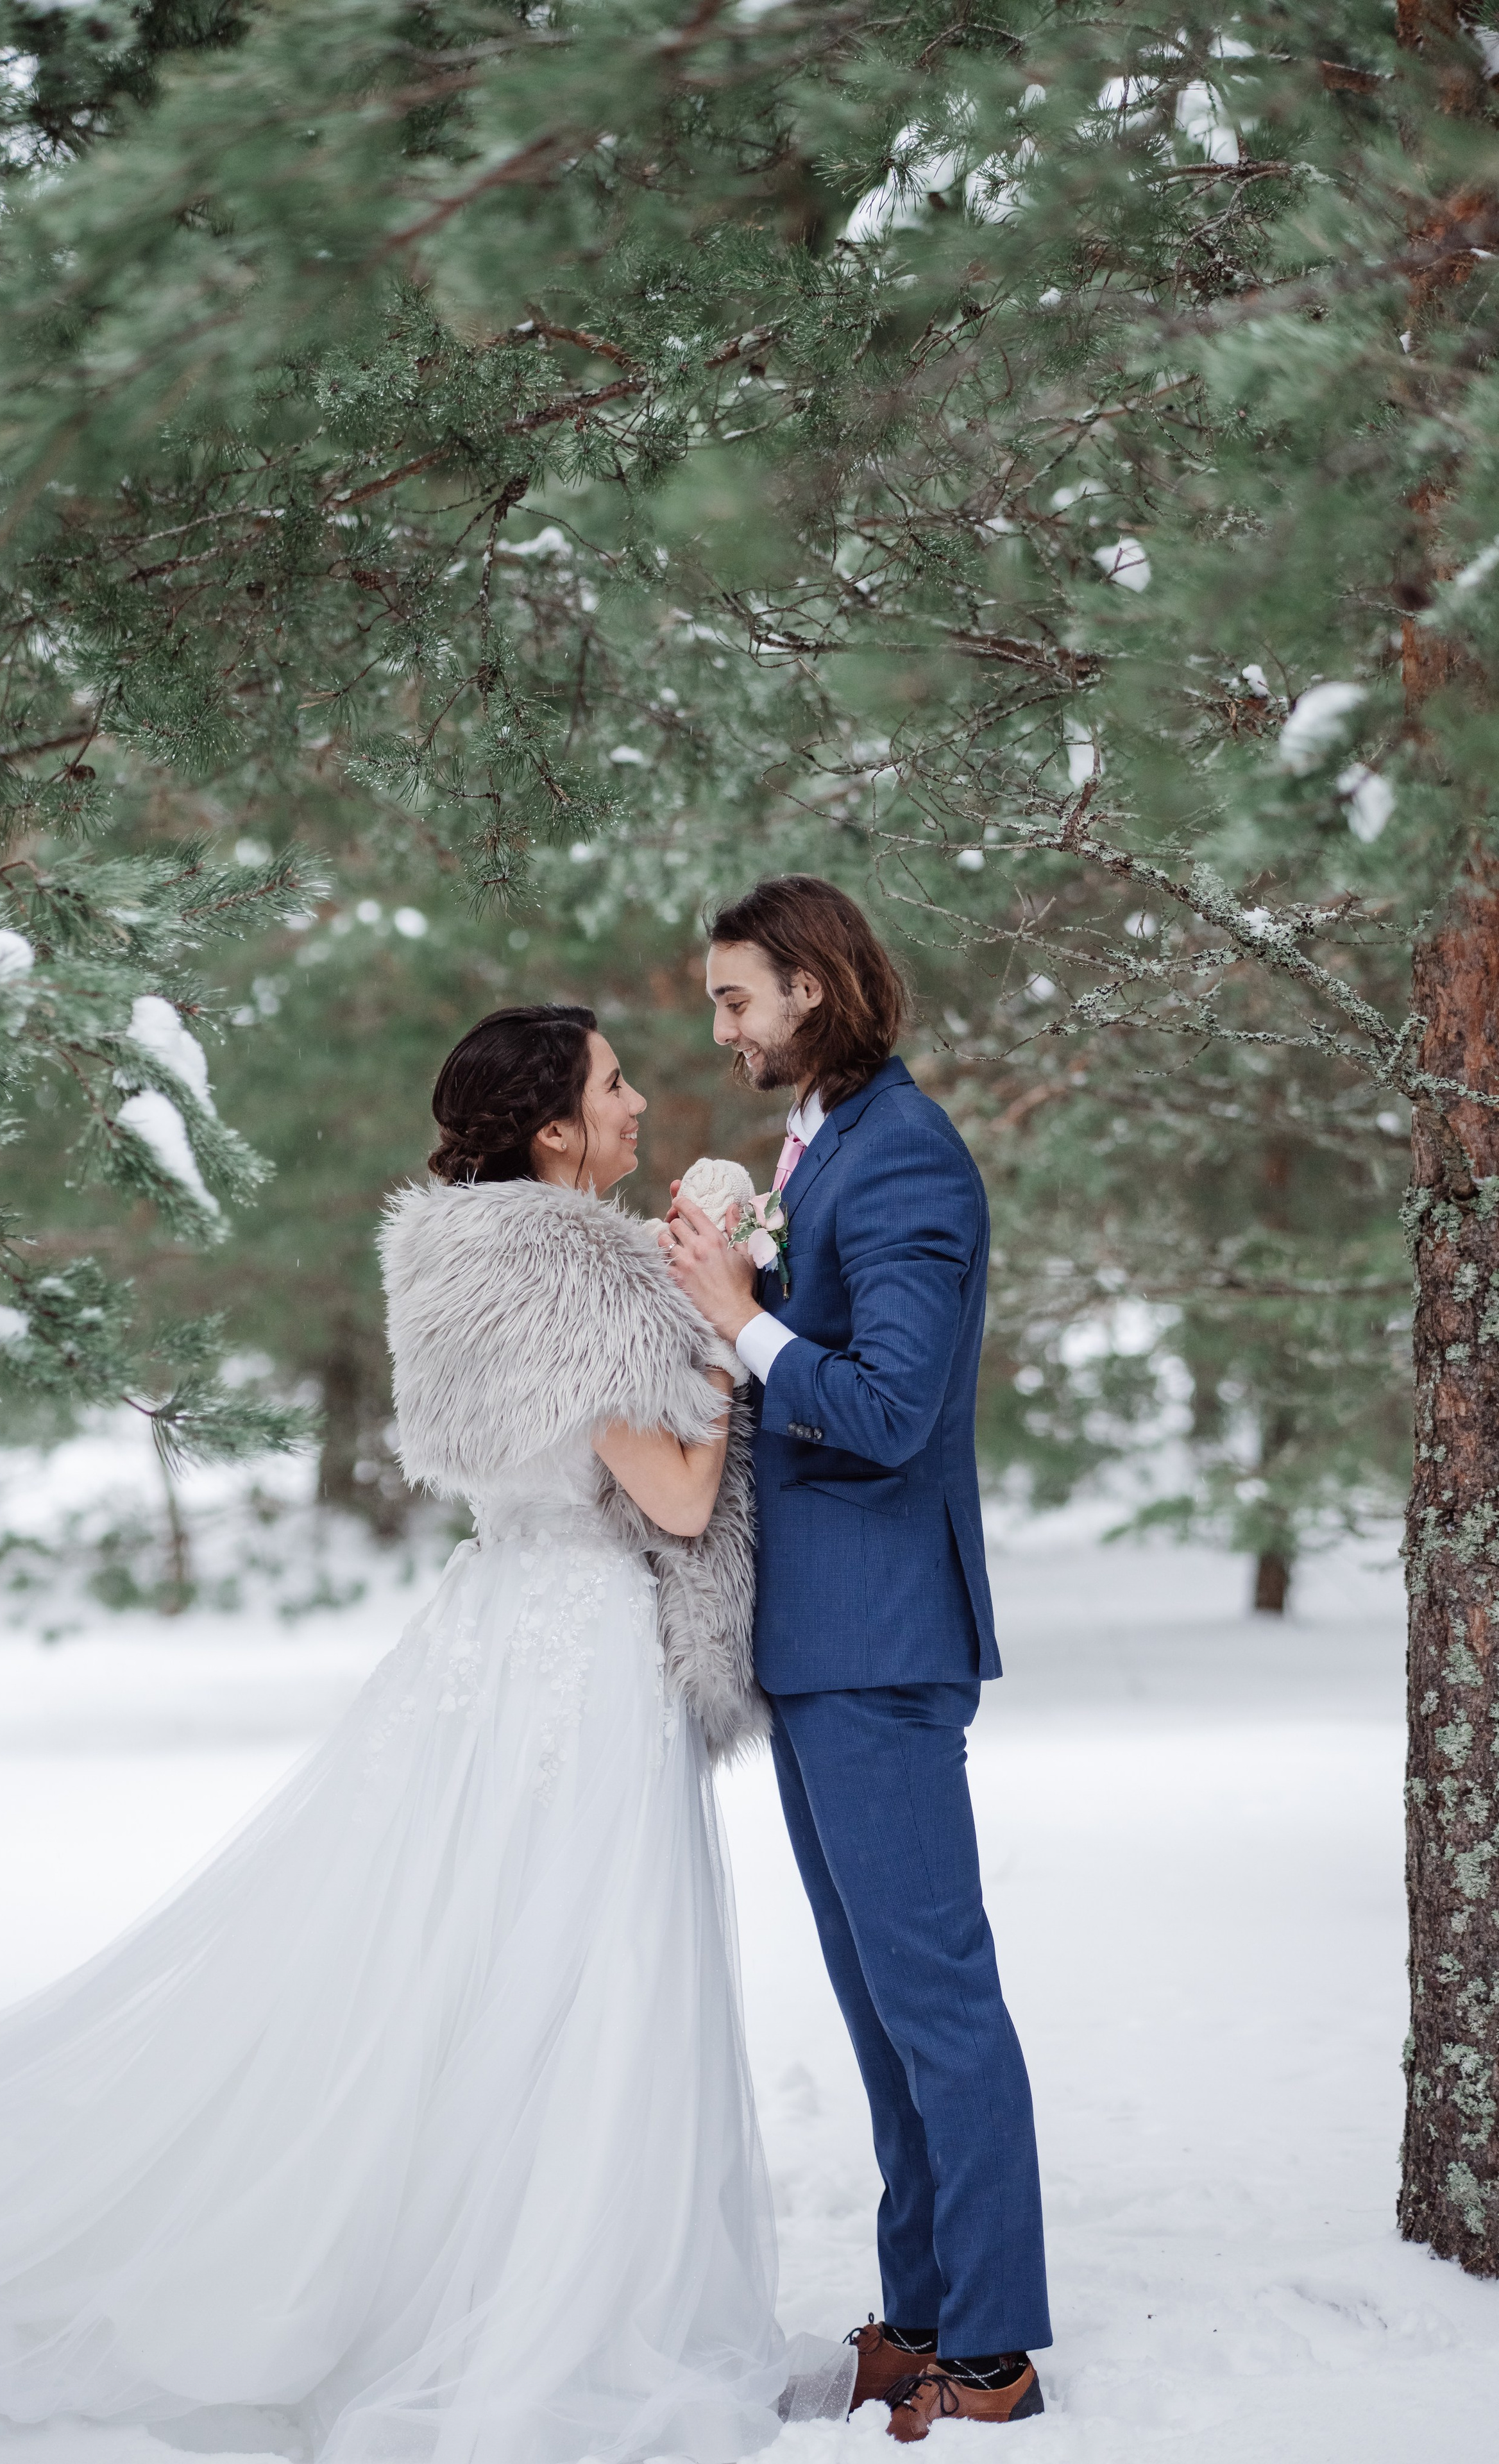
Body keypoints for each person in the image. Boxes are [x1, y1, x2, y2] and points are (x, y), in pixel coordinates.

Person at [0, 1003, 849, 2464]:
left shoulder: (455, 1257)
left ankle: (448, 2271)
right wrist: (722, 1318)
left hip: (491, 1627)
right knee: (583, 1970)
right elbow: (684, 1500)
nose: (640, 1101)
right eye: (612, 1084)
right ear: (553, 1129)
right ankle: (542, 2314)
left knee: (470, 1965)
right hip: (577, 1656)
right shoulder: (577, 1273)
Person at [663, 878, 1051, 2435]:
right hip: (819, 1640)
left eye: (734, 997)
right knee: (879, 2007)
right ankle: (920, 2308)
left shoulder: (903, 1156)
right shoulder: (820, 1137)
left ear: (809, 989)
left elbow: (890, 1409)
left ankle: (994, 2350)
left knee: (935, 1999)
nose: (720, 1026)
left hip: (879, 1636)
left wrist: (741, 1317)